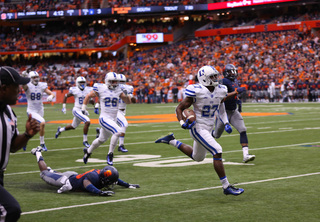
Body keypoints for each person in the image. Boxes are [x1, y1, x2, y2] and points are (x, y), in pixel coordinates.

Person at [155, 65, 244, 196]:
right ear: (204, 78)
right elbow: (179, 108)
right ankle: (226, 187)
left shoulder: (220, 90)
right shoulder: (197, 90)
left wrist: (225, 122)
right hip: (198, 127)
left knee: (197, 157)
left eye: (215, 76)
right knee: (217, 150)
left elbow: (221, 107)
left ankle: (172, 141)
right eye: (212, 77)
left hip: (208, 127)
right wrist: (181, 123)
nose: (215, 78)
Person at [0, 66, 40, 222]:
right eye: (16, 86)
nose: (20, 90)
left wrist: (28, 134)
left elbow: (13, 146)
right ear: (4, 88)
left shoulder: (9, 112)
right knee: (10, 210)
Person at [30, 146, 140, 195]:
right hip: (66, 180)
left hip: (74, 175)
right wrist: (99, 192)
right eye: (109, 182)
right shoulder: (94, 177)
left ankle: (52, 171)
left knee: (53, 173)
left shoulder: (102, 175)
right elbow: (86, 184)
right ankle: (38, 152)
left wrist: (128, 185)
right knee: (44, 173)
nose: (112, 184)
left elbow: (116, 179)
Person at [81, 72, 133, 166]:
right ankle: (110, 154)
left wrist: (127, 95)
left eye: (115, 81)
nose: (114, 83)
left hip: (112, 119)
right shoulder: (100, 87)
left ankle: (88, 152)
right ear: (107, 81)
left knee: (101, 140)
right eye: (112, 81)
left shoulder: (119, 89)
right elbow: (88, 96)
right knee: (117, 131)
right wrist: (83, 109)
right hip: (104, 118)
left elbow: (128, 102)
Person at [212, 64, 255, 163]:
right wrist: (236, 92)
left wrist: (238, 100)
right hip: (224, 112)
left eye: (234, 71)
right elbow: (222, 98)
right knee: (216, 135)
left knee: (243, 129)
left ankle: (246, 155)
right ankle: (204, 138)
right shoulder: (223, 82)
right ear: (226, 73)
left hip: (233, 110)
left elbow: (235, 94)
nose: (233, 73)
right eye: (231, 71)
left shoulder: (235, 81)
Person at [96, 74, 136, 153]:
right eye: (119, 82)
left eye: (122, 82)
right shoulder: (112, 88)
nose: (120, 84)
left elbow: (133, 101)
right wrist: (97, 105)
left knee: (107, 133)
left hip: (122, 111)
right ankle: (121, 145)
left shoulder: (127, 88)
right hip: (115, 110)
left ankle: (100, 130)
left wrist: (130, 95)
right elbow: (103, 97)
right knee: (124, 124)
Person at [55, 76, 93, 148]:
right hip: (77, 110)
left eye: (83, 83)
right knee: (87, 121)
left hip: (83, 110)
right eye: (80, 83)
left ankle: (60, 130)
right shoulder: (74, 90)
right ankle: (85, 141)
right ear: (77, 83)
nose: (82, 84)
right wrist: (64, 107)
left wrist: (93, 104)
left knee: (73, 126)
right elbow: (66, 96)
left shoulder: (88, 90)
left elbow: (90, 100)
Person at [22, 70, 55, 151]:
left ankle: (23, 142)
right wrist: (23, 78)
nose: (36, 79)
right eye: (34, 77)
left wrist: (51, 96)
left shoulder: (41, 85)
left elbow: (51, 93)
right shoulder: (27, 85)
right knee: (42, 122)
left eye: (36, 77)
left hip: (40, 109)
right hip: (31, 110)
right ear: (30, 78)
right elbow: (24, 86)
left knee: (34, 128)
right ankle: (42, 144)